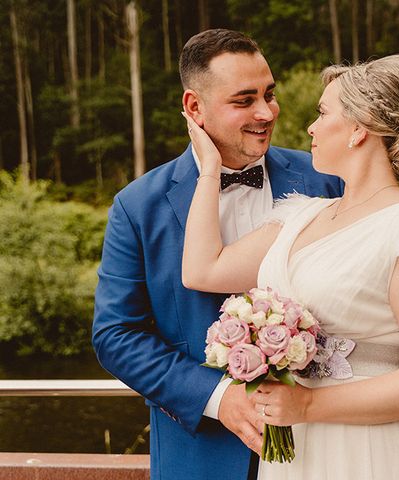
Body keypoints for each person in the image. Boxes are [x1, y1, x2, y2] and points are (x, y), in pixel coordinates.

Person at [181, 54, 399, 479]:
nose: (310, 127)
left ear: (360, 128)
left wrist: (306, 405)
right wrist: (209, 170)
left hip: (373, 452)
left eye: (323, 113)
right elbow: (201, 270)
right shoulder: (300, 216)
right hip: (298, 453)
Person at [91, 29, 343, 479]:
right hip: (200, 457)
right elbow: (117, 335)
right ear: (194, 107)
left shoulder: (327, 179)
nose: (266, 113)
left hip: (329, 442)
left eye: (270, 94)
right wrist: (217, 397)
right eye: (244, 100)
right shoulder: (138, 206)